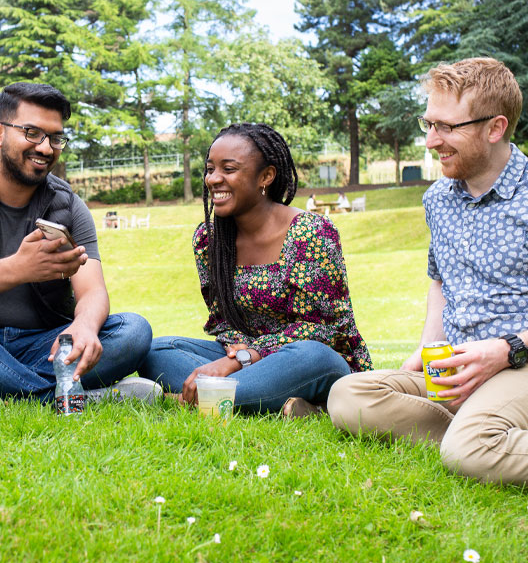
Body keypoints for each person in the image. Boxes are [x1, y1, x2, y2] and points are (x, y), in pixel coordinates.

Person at [328, 57, 528, 485]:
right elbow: (440, 278)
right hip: (454, 368)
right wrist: (425, 348)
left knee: (469, 454)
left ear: (494, 128)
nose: (431, 141)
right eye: (428, 124)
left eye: (447, 127)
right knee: (349, 395)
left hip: (520, 362)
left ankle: (474, 438)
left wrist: (506, 349)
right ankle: (475, 429)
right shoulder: (438, 198)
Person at [0, 83, 158, 403]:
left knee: (133, 330)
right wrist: (20, 268)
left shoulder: (70, 206)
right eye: (32, 132)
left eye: (55, 138)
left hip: (43, 345)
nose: (45, 148)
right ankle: (64, 395)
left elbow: (93, 291)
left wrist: (84, 324)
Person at [139, 123, 372, 415]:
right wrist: (236, 352)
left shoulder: (309, 233)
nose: (214, 179)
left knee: (312, 356)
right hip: (244, 358)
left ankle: (199, 397)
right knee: (156, 351)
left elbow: (320, 330)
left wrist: (244, 359)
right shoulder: (210, 239)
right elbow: (221, 320)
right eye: (210, 169)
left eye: (229, 169)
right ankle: (271, 401)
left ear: (266, 176)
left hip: (310, 358)